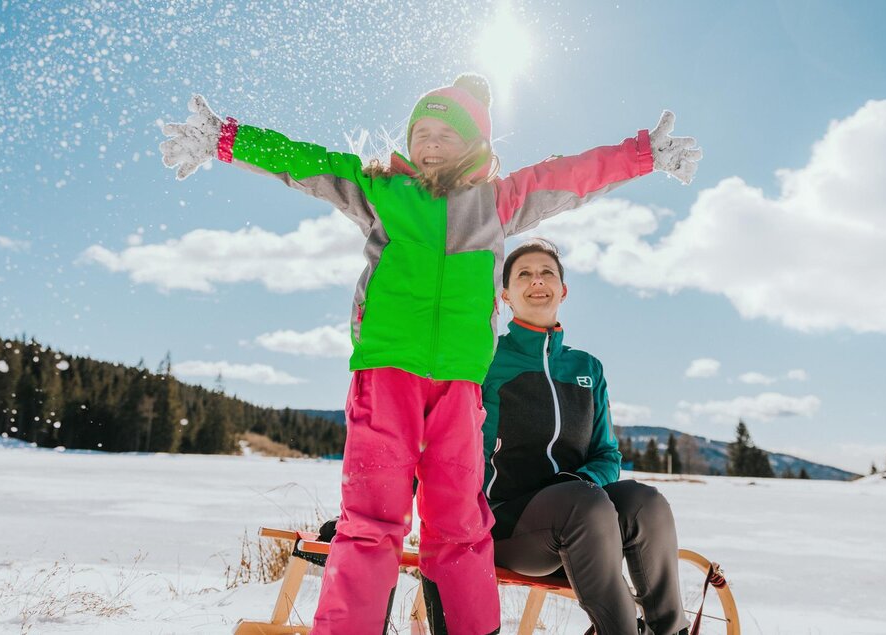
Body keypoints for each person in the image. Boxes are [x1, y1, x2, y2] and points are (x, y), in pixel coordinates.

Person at [160, 74, 701, 635]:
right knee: (371, 521)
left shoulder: (499, 202)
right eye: (422, 130)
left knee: (459, 526)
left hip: (461, 387)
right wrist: (226, 139)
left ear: (473, 144)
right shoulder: (382, 191)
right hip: (387, 375)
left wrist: (641, 155)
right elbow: (304, 162)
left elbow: (568, 178)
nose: (431, 141)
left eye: (447, 131)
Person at [482, 239, 690, 635]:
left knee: (645, 501)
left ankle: (668, 629)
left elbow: (607, 454)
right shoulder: (488, 360)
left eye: (547, 273)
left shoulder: (586, 368)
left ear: (563, 290)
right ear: (505, 294)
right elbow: (448, 442)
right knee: (583, 504)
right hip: (505, 525)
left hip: (585, 521)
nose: (537, 281)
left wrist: (576, 484)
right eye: (523, 274)